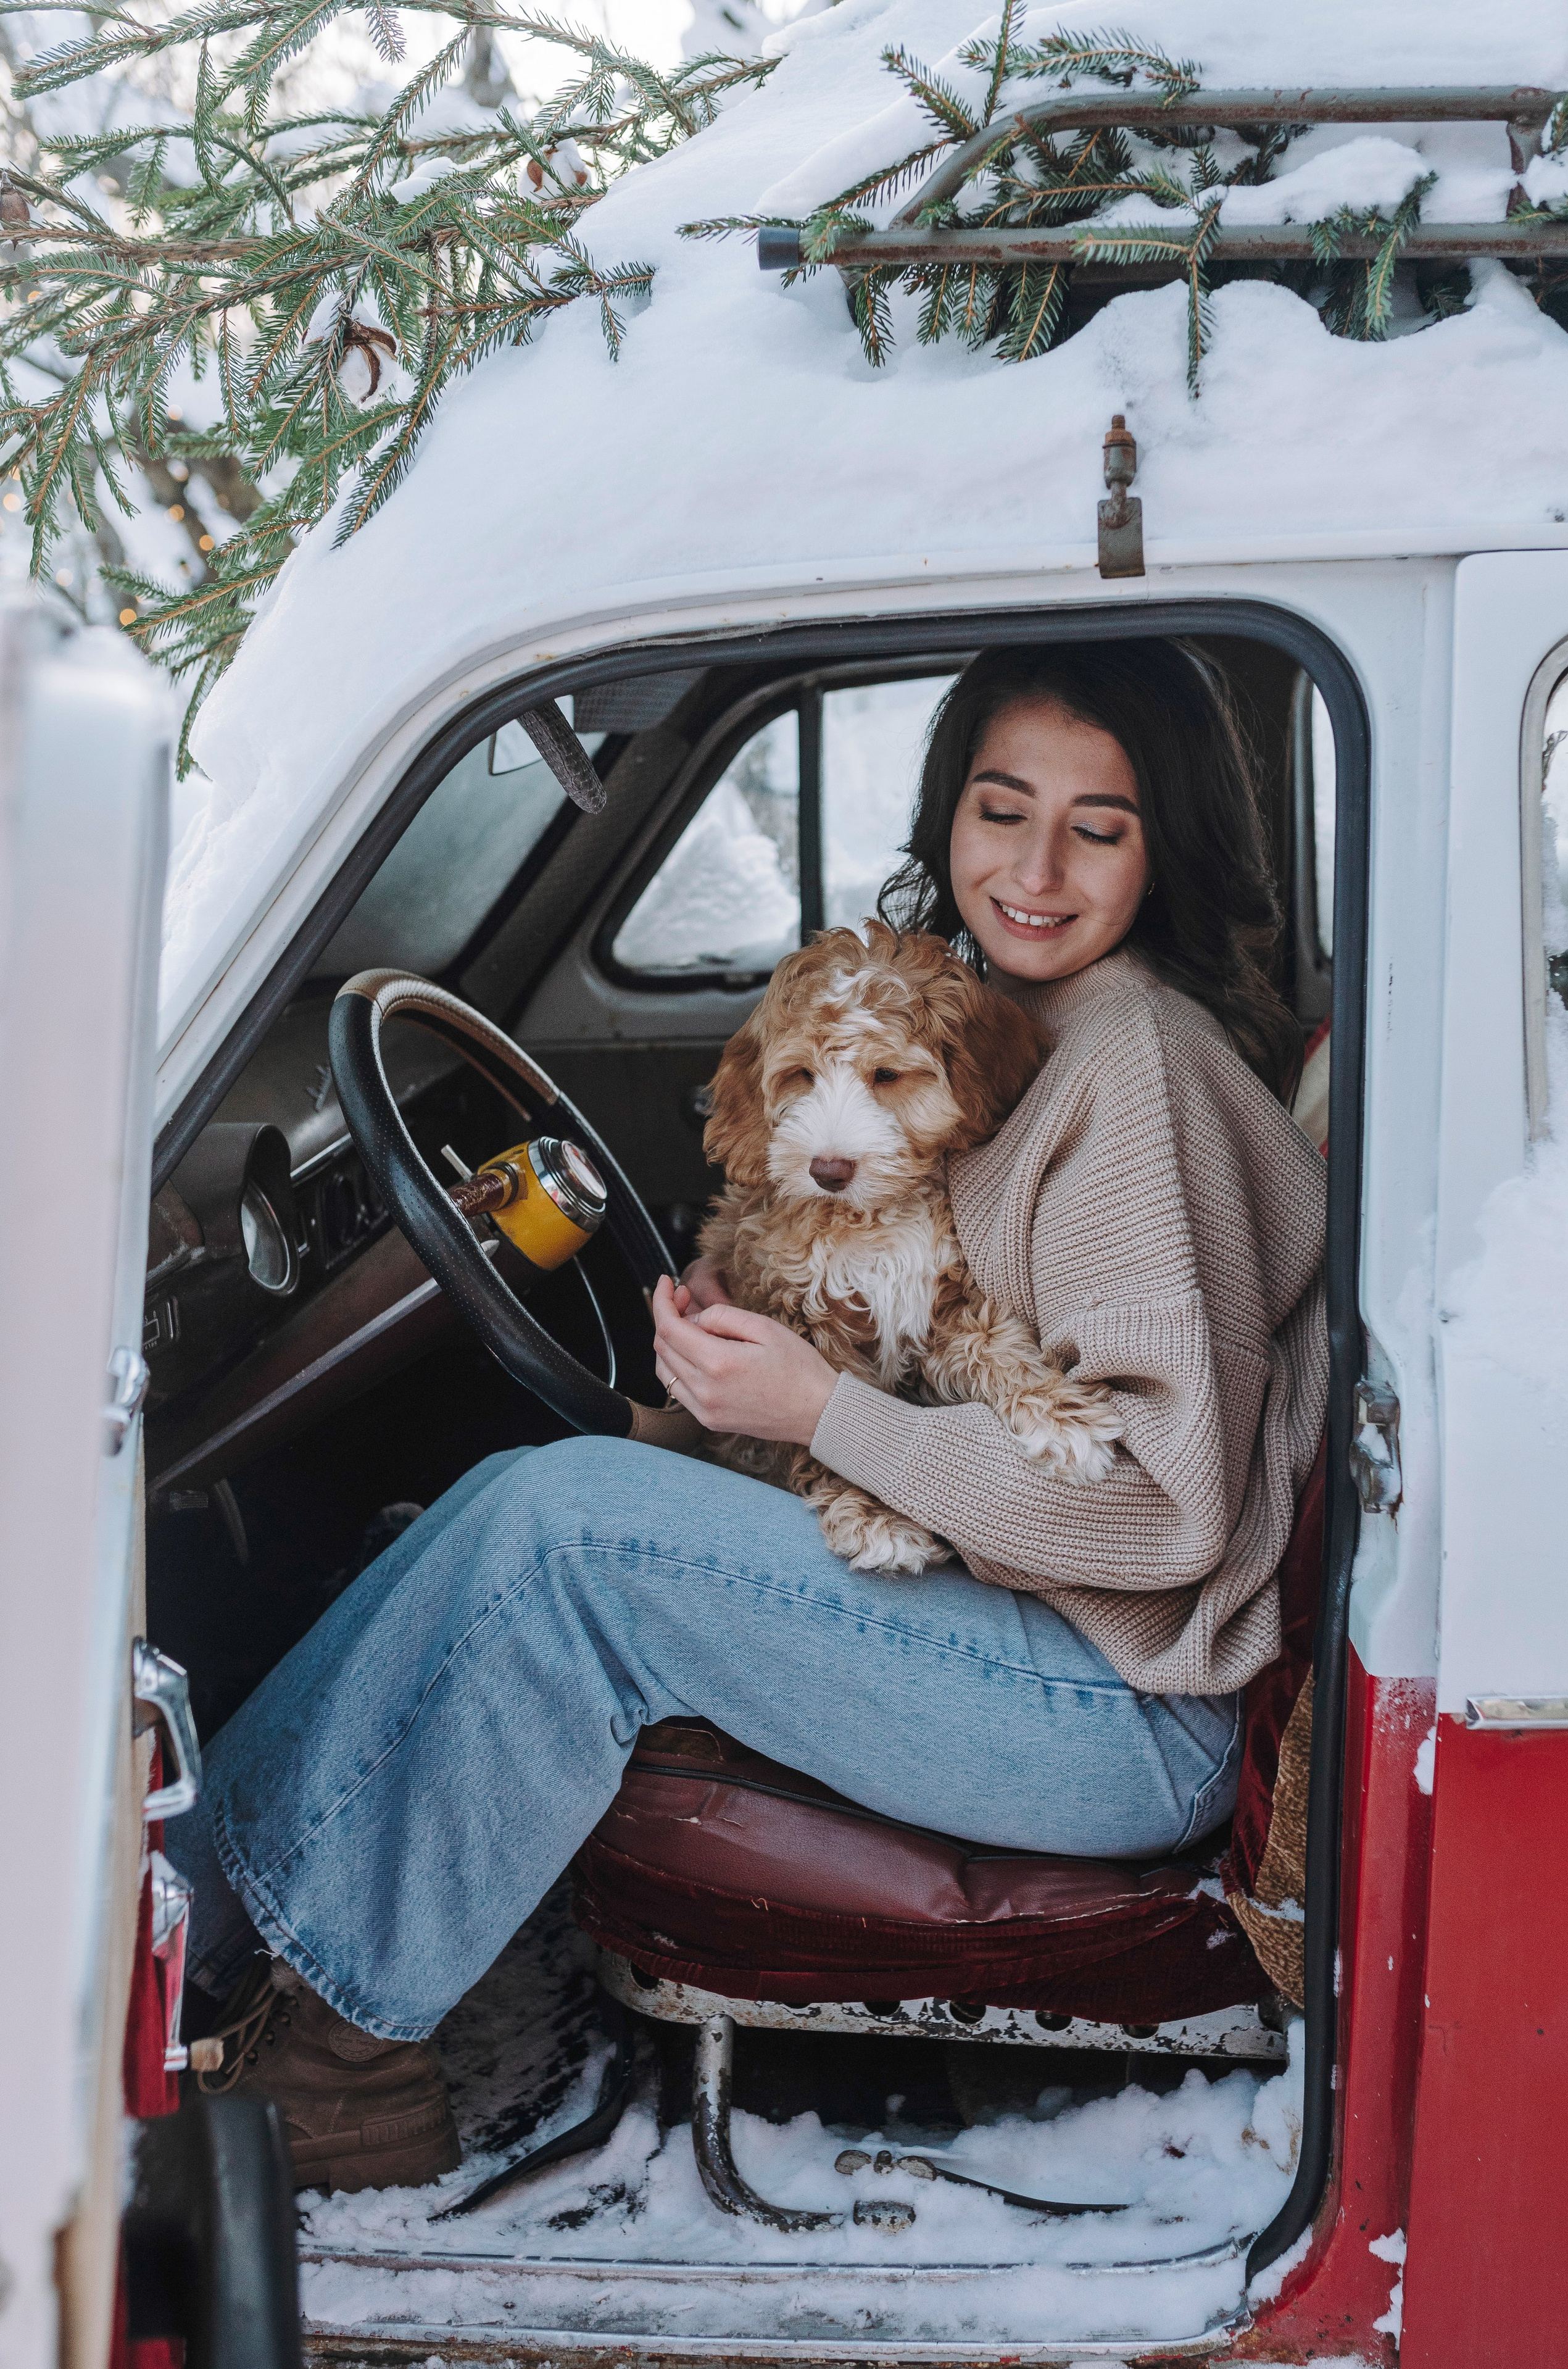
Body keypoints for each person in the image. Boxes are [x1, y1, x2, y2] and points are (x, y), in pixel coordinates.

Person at [165, 641, 1327, 2194]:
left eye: (1095, 827)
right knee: (521, 1500)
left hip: (1119, 1707)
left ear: (1157, 844)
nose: (1032, 868)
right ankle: (177, 1926)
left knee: (564, 1534)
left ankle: (333, 2057)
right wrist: (761, 1347)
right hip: (1041, 1630)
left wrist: (822, 1409)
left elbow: (1150, 1504)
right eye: (999, 809)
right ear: (947, 811)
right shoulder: (1014, 1022)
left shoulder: (1132, 1069)